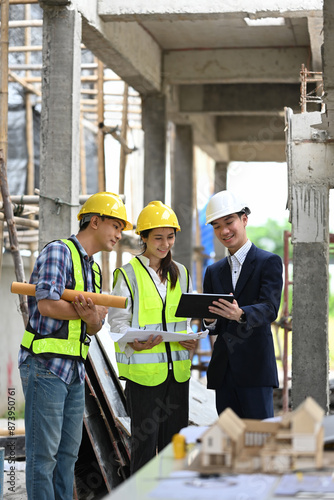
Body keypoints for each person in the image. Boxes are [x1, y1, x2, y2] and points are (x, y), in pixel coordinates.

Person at [18, 192, 132, 500]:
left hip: (73, 369)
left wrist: (92, 318)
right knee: (43, 456)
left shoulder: (93, 269)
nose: (120, 235)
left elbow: (93, 326)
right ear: (95, 221)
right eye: (116, 226)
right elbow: (46, 306)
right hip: (45, 365)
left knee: (68, 455)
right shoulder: (59, 252)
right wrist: (86, 314)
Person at [108, 200, 197, 474]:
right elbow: (118, 323)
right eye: (158, 237)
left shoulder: (181, 272)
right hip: (144, 378)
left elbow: (186, 319)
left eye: (170, 237)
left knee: (175, 448)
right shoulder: (127, 274)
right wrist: (134, 341)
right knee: (144, 451)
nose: (165, 243)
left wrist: (191, 338)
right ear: (143, 238)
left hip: (177, 375)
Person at [202, 190, 283, 420]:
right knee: (229, 443)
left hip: (256, 372)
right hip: (224, 373)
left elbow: (270, 308)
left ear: (244, 219)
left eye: (229, 222)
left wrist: (240, 314)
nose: (224, 231)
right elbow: (214, 325)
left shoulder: (269, 262)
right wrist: (209, 320)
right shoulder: (213, 271)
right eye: (217, 226)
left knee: (259, 442)